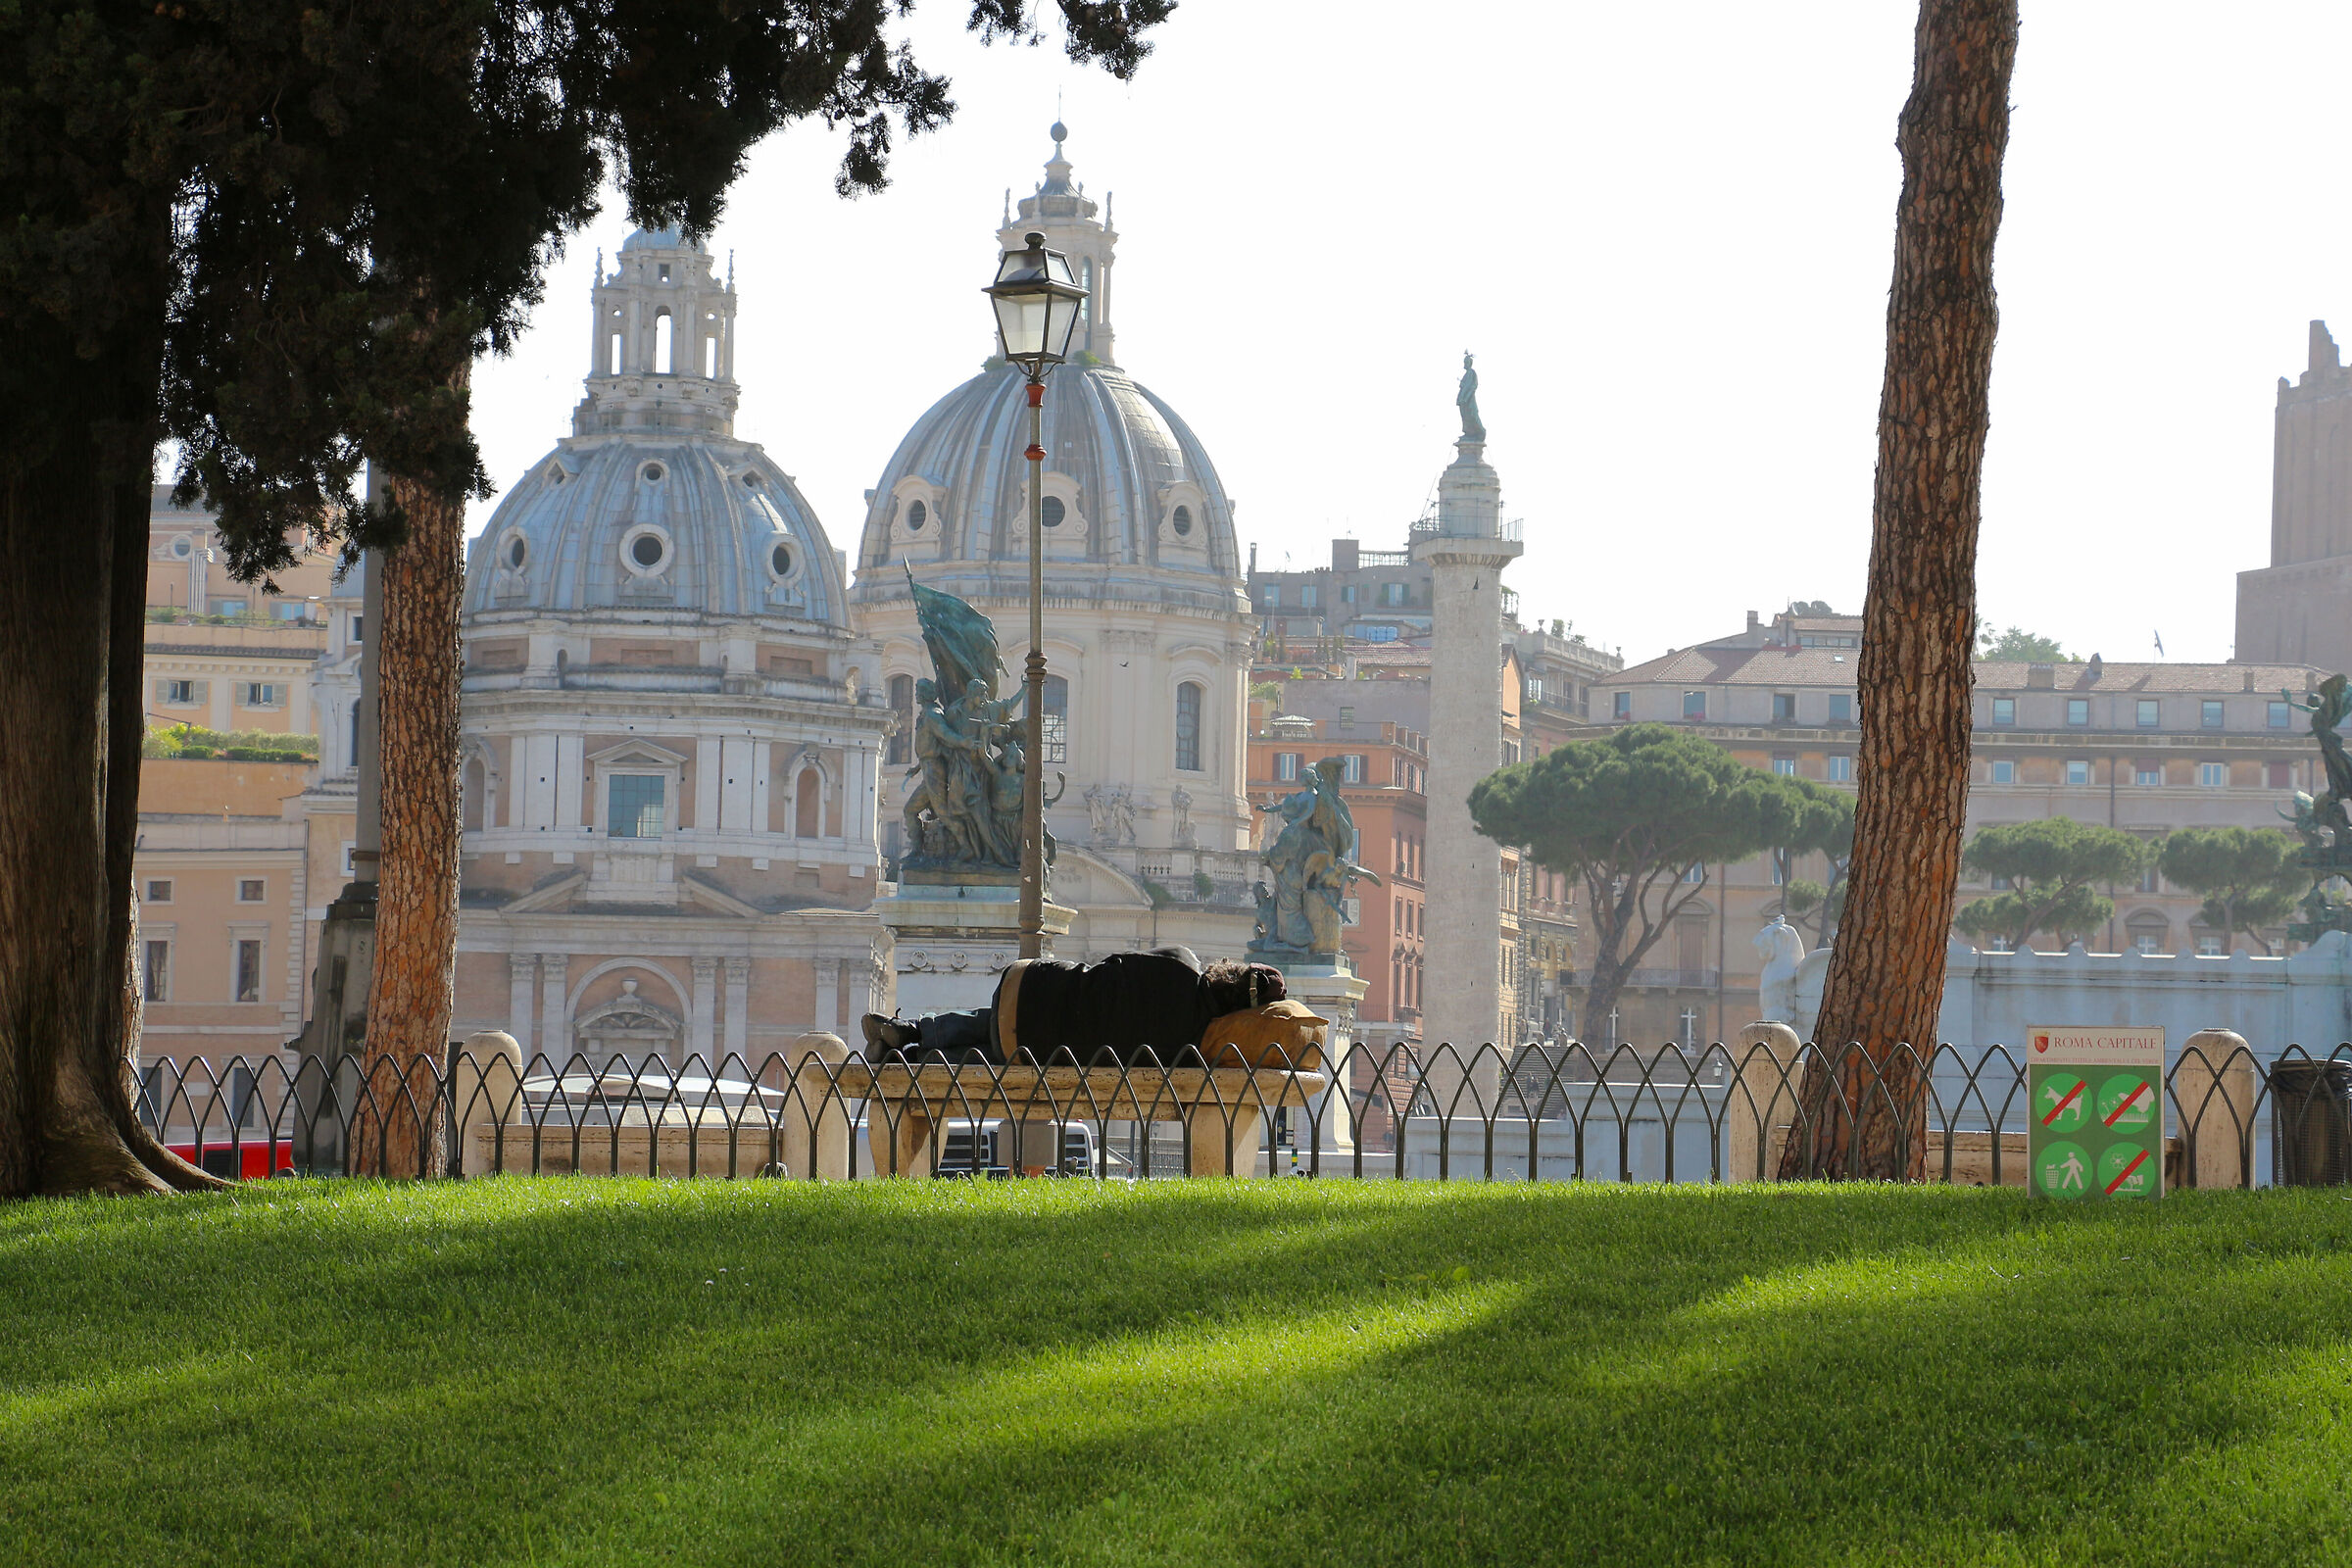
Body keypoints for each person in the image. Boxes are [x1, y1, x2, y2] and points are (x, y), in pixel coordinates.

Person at [861, 947, 1291, 1067]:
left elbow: (1114, 964)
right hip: (1040, 1050)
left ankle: (915, 1031)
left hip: (1029, 982)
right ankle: (913, 1058)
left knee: (994, 1022)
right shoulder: (1195, 1048)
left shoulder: (1179, 964)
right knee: (997, 1051)